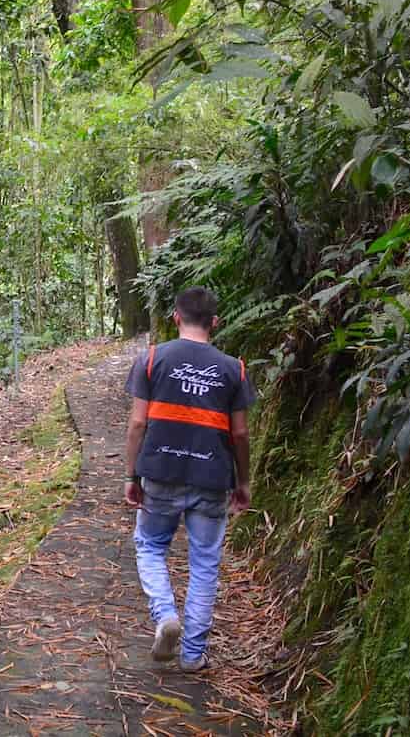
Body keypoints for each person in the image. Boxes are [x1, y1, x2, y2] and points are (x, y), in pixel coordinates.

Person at [122, 286, 254, 674]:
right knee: (205, 563)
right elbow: (241, 435)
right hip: (212, 476)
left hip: (160, 472)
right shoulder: (235, 369)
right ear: (215, 322)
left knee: (149, 545)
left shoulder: (151, 360)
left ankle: (165, 614)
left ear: (176, 317)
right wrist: (243, 481)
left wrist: (132, 474)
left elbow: (137, 423)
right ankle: (194, 654)